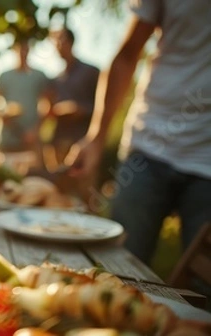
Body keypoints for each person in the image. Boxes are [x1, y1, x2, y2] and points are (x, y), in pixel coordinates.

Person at [65, 0, 211, 266]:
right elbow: (127, 54)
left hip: (207, 161)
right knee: (118, 264)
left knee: (202, 288)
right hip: (149, 144)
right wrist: (96, 138)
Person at [44, 28, 100, 172]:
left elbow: (104, 106)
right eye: (55, 42)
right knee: (57, 189)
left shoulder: (91, 72)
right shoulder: (56, 79)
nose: (57, 45)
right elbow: (48, 111)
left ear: (71, 42)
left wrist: (81, 109)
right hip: (58, 143)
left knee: (83, 190)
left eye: (61, 40)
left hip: (83, 142)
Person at [0, 40, 50, 156]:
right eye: (20, 49)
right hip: (7, 139)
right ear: (14, 51)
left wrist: (35, 131)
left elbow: (48, 105)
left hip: (30, 140)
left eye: (25, 49)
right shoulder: (5, 76)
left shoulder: (39, 76)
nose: (22, 52)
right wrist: (2, 115)